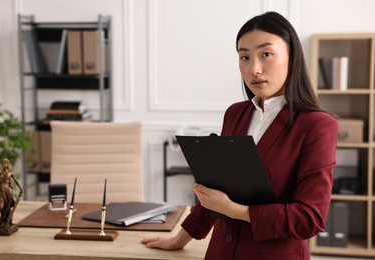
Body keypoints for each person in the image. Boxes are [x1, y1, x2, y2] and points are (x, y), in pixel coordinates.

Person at [141, 11, 338, 260]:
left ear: (292, 56)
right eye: (244, 57)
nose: (254, 68)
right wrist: (179, 240)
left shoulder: (317, 126)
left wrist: (235, 210)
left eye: (266, 54)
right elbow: (215, 191)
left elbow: (309, 219)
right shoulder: (235, 114)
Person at [0, 158, 23, 230]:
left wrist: (21, 189)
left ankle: (6, 221)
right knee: (1, 206)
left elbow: (16, 181)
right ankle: (2, 219)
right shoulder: (0, 171)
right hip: (2, 191)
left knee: (8, 207)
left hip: (8, 190)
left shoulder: (10, 172)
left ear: (7, 164)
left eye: (5, 163)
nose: (3, 164)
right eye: (2, 163)